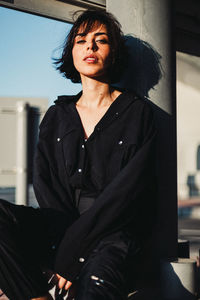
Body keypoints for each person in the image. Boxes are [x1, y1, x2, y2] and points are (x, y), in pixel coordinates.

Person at [0, 9, 157, 300]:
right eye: (81, 40)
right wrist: (63, 246)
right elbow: (46, 186)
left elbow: (126, 195)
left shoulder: (139, 113)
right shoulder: (57, 115)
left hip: (112, 234)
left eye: (101, 40)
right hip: (59, 226)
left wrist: (71, 256)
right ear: (72, 52)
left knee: (97, 285)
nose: (90, 47)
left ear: (115, 53)